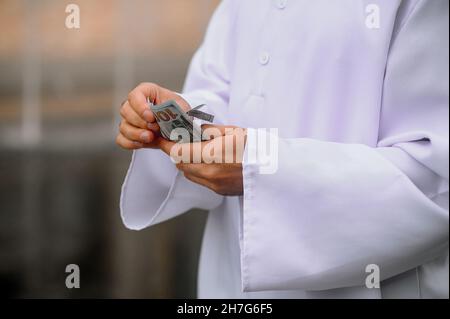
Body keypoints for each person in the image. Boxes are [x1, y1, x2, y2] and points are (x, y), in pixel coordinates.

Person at [116, 0, 449, 298]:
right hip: (228, 280)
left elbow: (436, 180)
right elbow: (227, 91)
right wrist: (183, 121)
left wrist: (262, 168)